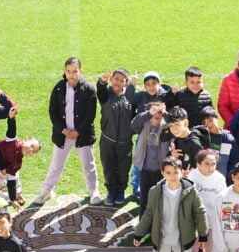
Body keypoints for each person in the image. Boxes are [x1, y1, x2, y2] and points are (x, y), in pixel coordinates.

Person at [36, 57, 100, 205]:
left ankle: (93, 191)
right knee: (56, 165)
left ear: (80, 71)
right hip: (62, 136)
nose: (71, 75)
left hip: (82, 136)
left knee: (88, 165)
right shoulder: (59, 87)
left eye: (75, 71)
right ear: (64, 71)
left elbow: (90, 114)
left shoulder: (89, 89)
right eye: (68, 71)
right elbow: (53, 112)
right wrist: (63, 130)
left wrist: (78, 131)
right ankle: (47, 190)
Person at [187, 150, 228, 252]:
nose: (211, 168)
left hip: (213, 223)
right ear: (198, 164)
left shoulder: (220, 178)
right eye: (206, 164)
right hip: (194, 223)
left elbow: (223, 202)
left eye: (213, 164)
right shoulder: (192, 176)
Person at [97, 69, 135, 206]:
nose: (118, 82)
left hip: (125, 143)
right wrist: (102, 82)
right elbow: (100, 91)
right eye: (116, 79)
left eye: (122, 80)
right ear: (111, 79)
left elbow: (136, 117)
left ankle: (120, 191)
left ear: (126, 83)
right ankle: (111, 191)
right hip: (108, 141)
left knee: (123, 169)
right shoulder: (106, 94)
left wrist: (133, 87)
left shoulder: (130, 96)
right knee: (108, 168)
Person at [131, 99, 170, 215]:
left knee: (159, 198)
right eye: (154, 111)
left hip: (160, 169)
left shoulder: (166, 126)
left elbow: (175, 122)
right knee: (144, 197)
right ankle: (143, 221)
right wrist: (149, 113)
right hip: (144, 168)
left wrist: (165, 113)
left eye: (160, 112)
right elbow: (134, 123)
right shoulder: (143, 124)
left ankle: (156, 221)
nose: (157, 114)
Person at [0, 118, 41, 206]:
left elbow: (11, 181)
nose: (30, 149)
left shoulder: (17, 163)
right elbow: (12, 128)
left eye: (33, 151)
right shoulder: (13, 141)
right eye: (31, 145)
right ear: (25, 140)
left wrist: (13, 199)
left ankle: (15, 195)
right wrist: (12, 118)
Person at [164, 106, 205, 173]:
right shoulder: (177, 138)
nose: (174, 129)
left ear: (186, 123)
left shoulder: (194, 142)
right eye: (171, 126)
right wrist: (172, 155)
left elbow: (203, 164)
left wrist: (193, 172)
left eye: (177, 124)